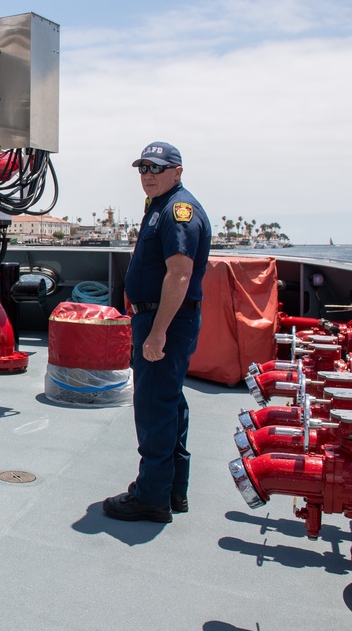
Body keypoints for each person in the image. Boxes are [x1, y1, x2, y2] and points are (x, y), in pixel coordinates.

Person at [103, 141, 211, 524]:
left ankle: (151, 497)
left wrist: (157, 333)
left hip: (164, 321)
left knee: (154, 407)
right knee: (169, 404)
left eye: (156, 168)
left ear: (177, 172)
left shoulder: (178, 212)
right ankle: (171, 489)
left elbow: (179, 274)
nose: (148, 175)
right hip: (158, 319)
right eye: (143, 169)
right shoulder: (160, 207)